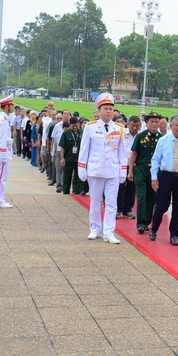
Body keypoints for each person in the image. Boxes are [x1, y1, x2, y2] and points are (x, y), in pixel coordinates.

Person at [77, 92, 128, 244]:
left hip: (112, 170)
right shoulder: (91, 127)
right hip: (96, 169)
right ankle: (95, 228)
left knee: (112, 203)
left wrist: (123, 171)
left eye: (110, 109)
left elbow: (123, 152)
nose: (108, 111)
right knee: (95, 201)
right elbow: (84, 149)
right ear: (99, 111)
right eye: (105, 108)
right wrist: (82, 168)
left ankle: (109, 232)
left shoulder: (119, 128)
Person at [149, 114, 178, 246]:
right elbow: (156, 160)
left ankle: (174, 234)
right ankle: (154, 228)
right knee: (162, 205)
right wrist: (154, 178)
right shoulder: (163, 141)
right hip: (166, 176)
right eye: (177, 125)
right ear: (171, 126)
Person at [129, 112, 163, 234]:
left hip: (155, 171)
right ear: (147, 123)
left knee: (151, 197)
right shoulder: (140, 136)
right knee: (141, 196)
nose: (154, 124)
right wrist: (130, 171)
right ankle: (141, 223)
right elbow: (134, 154)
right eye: (151, 122)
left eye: (156, 122)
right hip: (141, 169)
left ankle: (147, 221)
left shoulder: (162, 138)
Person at [0, 94, 15, 208]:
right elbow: (2, 139)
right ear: (7, 106)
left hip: (1, 151)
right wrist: (4, 155)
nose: (13, 108)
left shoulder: (1, 118)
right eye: (12, 105)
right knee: (1, 178)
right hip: (2, 153)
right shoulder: (3, 120)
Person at [116, 115, 141, 219]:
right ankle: (119, 209)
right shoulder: (121, 133)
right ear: (128, 124)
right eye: (132, 125)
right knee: (120, 187)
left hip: (135, 165)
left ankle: (128, 209)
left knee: (131, 188)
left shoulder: (141, 136)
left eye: (137, 126)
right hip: (122, 164)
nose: (134, 128)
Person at [59, 117, 84, 195]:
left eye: (76, 125)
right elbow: (62, 147)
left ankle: (76, 192)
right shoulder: (66, 133)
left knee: (77, 177)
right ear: (70, 125)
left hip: (79, 159)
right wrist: (62, 158)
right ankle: (66, 192)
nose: (75, 127)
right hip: (69, 158)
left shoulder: (82, 133)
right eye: (73, 126)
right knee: (67, 177)